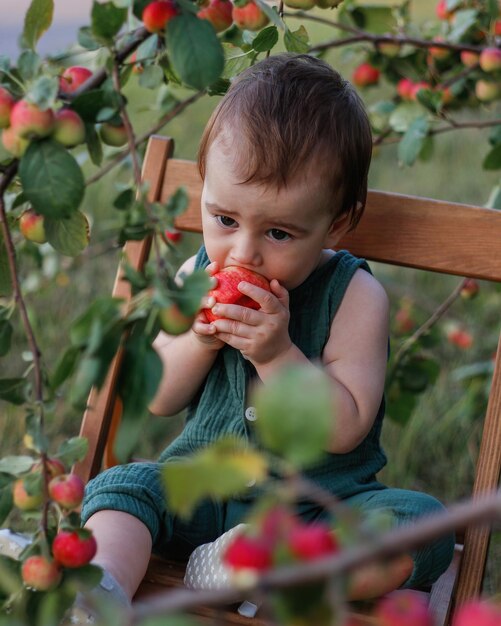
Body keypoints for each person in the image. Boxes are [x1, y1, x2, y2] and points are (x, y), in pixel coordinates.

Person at [79, 53, 455, 613]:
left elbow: (346, 426)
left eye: (278, 232)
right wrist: (198, 338)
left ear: (336, 223)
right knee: (123, 489)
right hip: (200, 489)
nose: (244, 251)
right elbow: (157, 397)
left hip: (320, 508)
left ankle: (276, 573)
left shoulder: (352, 295)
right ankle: (100, 593)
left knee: (422, 525)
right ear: (204, 192)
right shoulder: (195, 276)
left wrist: (278, 354)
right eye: (225, 220)